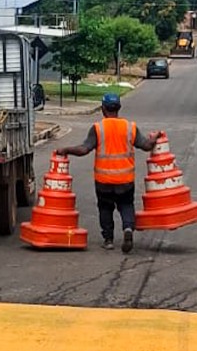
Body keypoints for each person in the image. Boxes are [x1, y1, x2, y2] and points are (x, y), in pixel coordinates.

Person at [56, 93, 159, 253]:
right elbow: (146, 146)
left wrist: (66, 150)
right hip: (125, 179)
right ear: (119, 108)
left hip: (103, 180)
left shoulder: (98, 128)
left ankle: (108, 240)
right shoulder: (130, 127)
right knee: (126, 205)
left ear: (103, 108)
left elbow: (84, 149)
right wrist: (155, 138)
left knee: (105, 208)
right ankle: (128, 228)